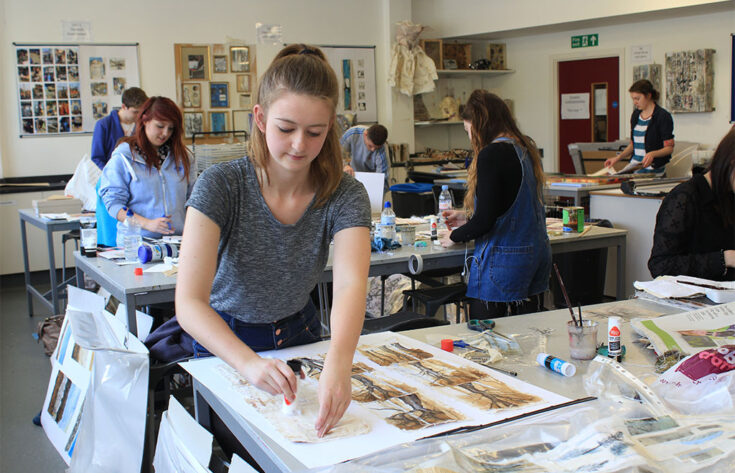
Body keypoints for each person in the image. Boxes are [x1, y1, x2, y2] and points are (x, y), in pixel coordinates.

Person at [175, 44, 371, 438]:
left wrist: (339, 361)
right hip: (226, 340)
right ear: (260, 119)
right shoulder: (222, 185)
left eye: (315, 132)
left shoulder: (345, 194)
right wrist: (248, 364)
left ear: (330, 126)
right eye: (286, 129)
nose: (299, 145)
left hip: (300, 333)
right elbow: (189, 302)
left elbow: (350, 284)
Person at [440, 90, 551, 318]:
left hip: (505, 260)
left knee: (485, 338)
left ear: (480, 124)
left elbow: (485, 223)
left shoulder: (492, 154)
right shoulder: (524, 148)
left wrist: (453, 236)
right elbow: (507, 208)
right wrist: (467, 217)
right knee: (526, 335)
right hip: (536, 255)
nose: (469, 137)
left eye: (467, 130)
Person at [99, 96, 195, 239]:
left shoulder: (184, 157)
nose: (165, 134)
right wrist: (147, 224)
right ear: (144, 120)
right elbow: (114, 206)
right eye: (160, 126)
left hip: (177, 242)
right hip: (137, 244)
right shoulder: (124, 157)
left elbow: (193, 200)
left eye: (171, 128)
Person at [648, 126, 735, 281]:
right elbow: (660, 266)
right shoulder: (685, 197)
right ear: (731, 163)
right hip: (697, 299)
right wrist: (724, 259)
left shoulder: (730, 195)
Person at [92, 87, 148, 246]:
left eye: (141, 112)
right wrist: (115, 174)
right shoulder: (104, 125)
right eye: (135, 112)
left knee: (133, 230)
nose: (139, 116)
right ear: (124, 107)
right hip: (111, 181)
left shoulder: (141, 126)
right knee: (112, 231)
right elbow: (96, 156)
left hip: (135, 183)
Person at [604, 80, 674, 174]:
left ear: (648, 96)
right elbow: (633, 144)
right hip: (635, 167)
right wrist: (617, 158)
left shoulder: (663, 116)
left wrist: (652, 154)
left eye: (637, 98)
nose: (635, 102)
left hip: (653, 170)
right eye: (633, 99)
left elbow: (669, 148)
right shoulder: (636, 115)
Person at [340, 123, 389, 190]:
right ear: (365, 134)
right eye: (370, 146)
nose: (372, 150)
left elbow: (383, 181)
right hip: (352, 175)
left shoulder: (382, 151)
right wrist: (344, 165)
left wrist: (377, 192)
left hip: (372, 181)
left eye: (376, 148)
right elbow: (337, 153)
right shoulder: (352, 134)